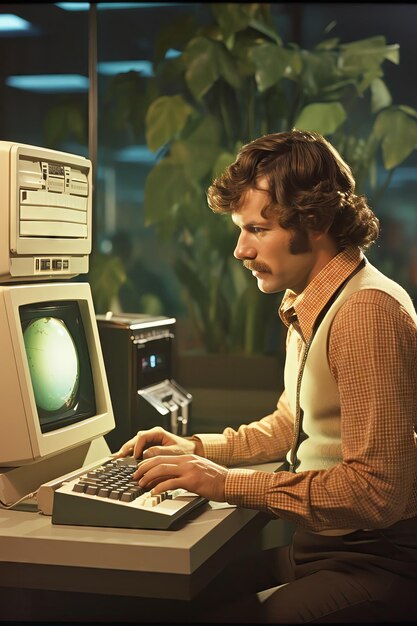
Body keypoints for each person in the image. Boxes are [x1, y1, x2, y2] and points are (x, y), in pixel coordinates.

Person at [117, 130, 417, 623]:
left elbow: (374, 493)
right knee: (180, 596)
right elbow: (289, 426)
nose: (240, 250)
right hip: (329, 550)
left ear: (315, 221)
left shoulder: (365, 312)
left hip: (379, 561)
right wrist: (194, 451)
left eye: (257, 229)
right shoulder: (312, 299)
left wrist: (226, 484)